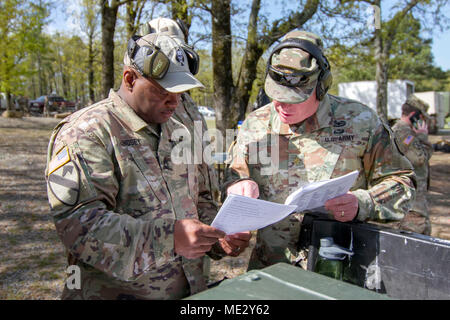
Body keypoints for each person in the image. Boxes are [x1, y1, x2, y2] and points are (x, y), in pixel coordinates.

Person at [45, 33, 251, 300]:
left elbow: (198, 202)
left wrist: (220, 235)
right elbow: (79, 228)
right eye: (163, 91)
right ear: (130, 79)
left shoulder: (180, 133)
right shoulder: (87, 132)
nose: (174, 102)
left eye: (180, 92)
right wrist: (169, 239)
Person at [224, 30, 417, 271]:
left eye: (294, 98)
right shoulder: (255, 124)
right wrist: (237, 185)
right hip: (270, 271)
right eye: (275, 94)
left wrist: (362, 203)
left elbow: (402, 183)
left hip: (337, 273)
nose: (281, 106)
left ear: (321, 87)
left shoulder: (361, 122)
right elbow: (234, 176)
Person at [390, 96, 433, 235]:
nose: (423, 122)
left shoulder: (402, 131)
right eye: (422, 118)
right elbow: (420, 159)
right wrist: (423, 137)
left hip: (408, 201)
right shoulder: (404, 133)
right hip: (412, 206)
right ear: (415, 116)